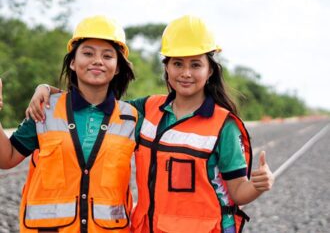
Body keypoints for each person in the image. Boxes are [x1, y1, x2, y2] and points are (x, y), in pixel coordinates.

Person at [26, 15, 274, 233]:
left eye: (195, 64)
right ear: (166, 67)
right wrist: (49, 91)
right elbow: (96, 103)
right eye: (178, 63)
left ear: (210, 70)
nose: (186, 73)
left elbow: (238, 191)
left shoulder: (223, 125)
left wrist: (257, 186)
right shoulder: (145, 110)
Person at [0, 15, 138, 233]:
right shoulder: (45, 108)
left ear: (118, 67)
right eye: (88, 53)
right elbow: (6, 158)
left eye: (108, 55)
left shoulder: (131, 117)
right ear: (73, 62)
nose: (97, 60)